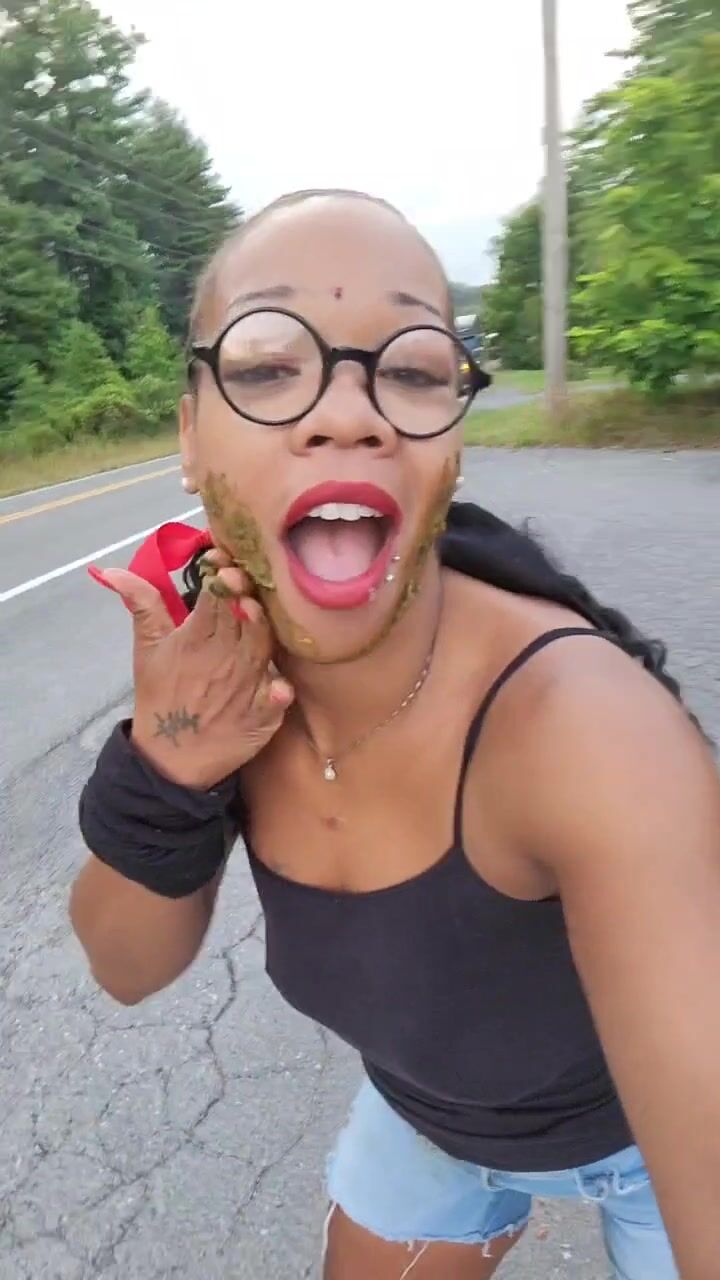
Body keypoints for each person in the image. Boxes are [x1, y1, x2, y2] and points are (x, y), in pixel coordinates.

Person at [70, 190, 720, 1280]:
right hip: (428, 1124)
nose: (349, 414)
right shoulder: (225, 676)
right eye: (268, 365)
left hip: (641, 1157)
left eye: (414, 370)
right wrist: (169, 768)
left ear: (451, 443)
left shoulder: (587, 730)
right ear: (189, 435)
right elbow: (125, 967)